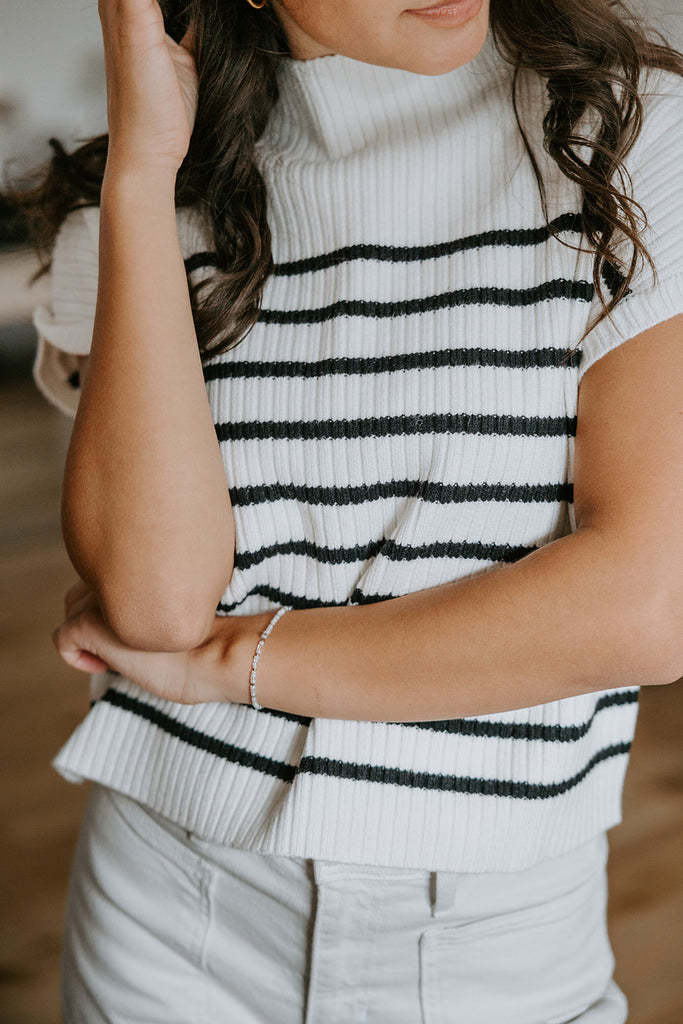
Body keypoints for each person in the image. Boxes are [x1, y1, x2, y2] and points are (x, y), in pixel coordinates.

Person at [20, 0, 683, 1019]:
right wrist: (143, 180)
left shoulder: (631, 130)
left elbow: (643, 603)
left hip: (484, 925)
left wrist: (228, 666)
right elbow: (153, 607)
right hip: (169, 901)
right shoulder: (152, 187)